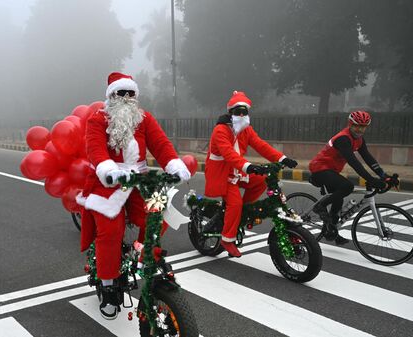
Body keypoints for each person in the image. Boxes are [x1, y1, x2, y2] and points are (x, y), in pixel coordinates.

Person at [77, 72, 191, 320]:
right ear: (111, 96)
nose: (127, 98)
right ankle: (107, 286)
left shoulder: (144, 118)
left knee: (157, 215)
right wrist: (107, 169)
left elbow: (160, 144)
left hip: (139, 179)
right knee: (110, 232)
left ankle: (143, 252)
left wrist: (173, 165)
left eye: (131, 93)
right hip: (108, 182)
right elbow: (95, 148)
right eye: (122, 93)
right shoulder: (98, 119)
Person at [204, 91, 298, 258]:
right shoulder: (220, 130)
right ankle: (227, 239)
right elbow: (228, 154)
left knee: (262, 180)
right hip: (222, 173)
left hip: (238, 171)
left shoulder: (246, 129)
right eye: (237, 111)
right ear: (230, 112)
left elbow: (261, 145)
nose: (241, 114)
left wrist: (283, 159)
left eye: (244, 111)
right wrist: (249, 166)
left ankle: (242, 213)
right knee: (235, 204)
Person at [309, 110, 391, 245]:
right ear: (350, 124)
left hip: (332, 170)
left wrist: (383, 175)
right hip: (320, 169)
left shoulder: (359, 140)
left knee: (338, 200)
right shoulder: (343, 138)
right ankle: (320, 206)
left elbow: (368, 158)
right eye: (357, 125)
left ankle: (331, 231)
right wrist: (371, 180)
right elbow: (354, 162)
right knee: (347, 186)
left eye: (363, 126)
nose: (360, 129)